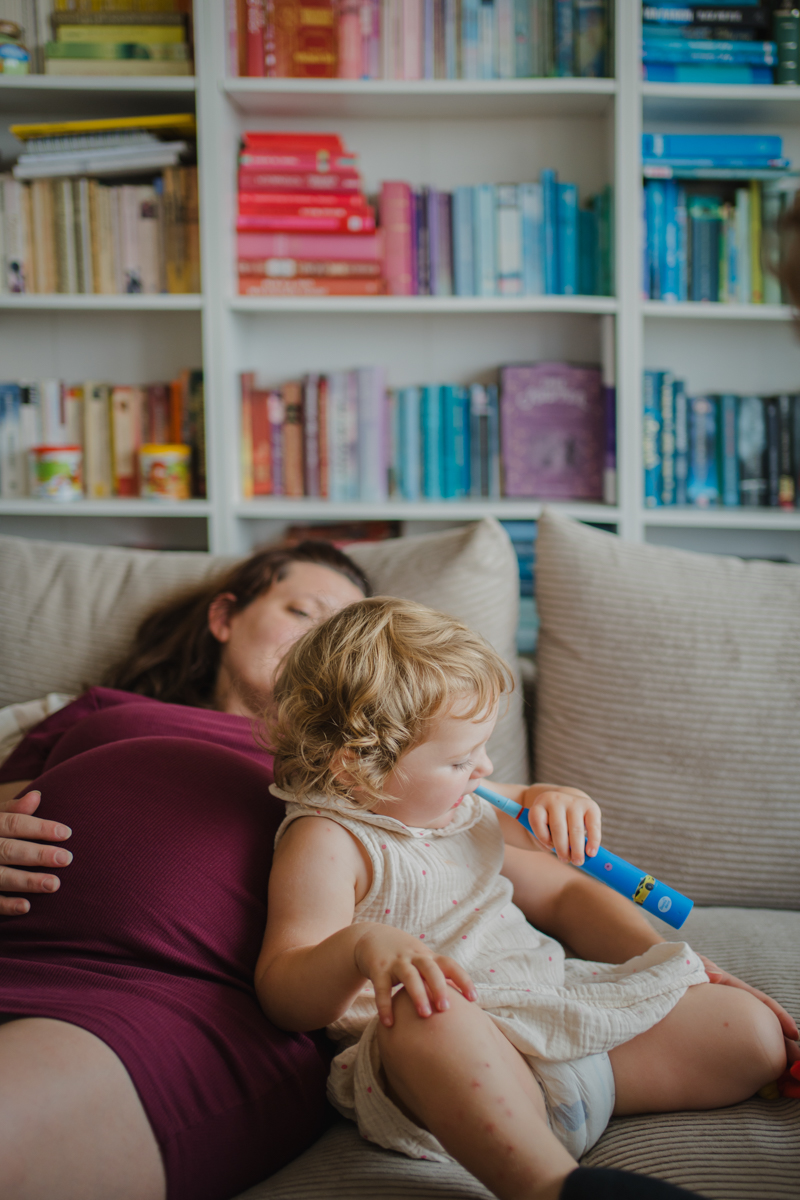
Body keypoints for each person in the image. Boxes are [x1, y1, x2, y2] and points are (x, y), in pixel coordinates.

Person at [257, 595, 796, 1200]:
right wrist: (359, 945)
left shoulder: (459, 803)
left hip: (561, 1023)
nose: (485, 770)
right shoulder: (328, 842)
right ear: (358, 768)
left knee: (751, 1034)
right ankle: (551, 1185)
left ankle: (566, 1115)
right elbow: (283, 992)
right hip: (468, 1066)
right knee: (420, 1012)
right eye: (462, 759)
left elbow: (553, 865)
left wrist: (559, 801)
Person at [0, 540, 372, 1200]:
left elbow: (509, 864)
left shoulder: (358, 771)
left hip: (177, 995)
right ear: (225, 617)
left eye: (342, 638)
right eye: (302, 612)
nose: (320, 645)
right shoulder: (102, 709)